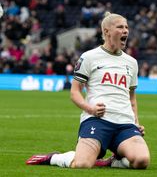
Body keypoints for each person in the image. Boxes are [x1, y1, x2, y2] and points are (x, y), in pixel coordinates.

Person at [26, 12, 150, 169]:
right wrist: (90, 109)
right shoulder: (89, 57)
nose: (125, 30)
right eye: (120, 27)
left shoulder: (131, 62)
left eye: (126, 27)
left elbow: (132, 99)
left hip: (124, 124)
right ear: (106, 31)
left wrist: (136, 123)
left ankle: (114, 161)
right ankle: (55, 157)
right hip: (97, 121)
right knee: (83, 164)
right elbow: (74, 92)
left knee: (142, 161)